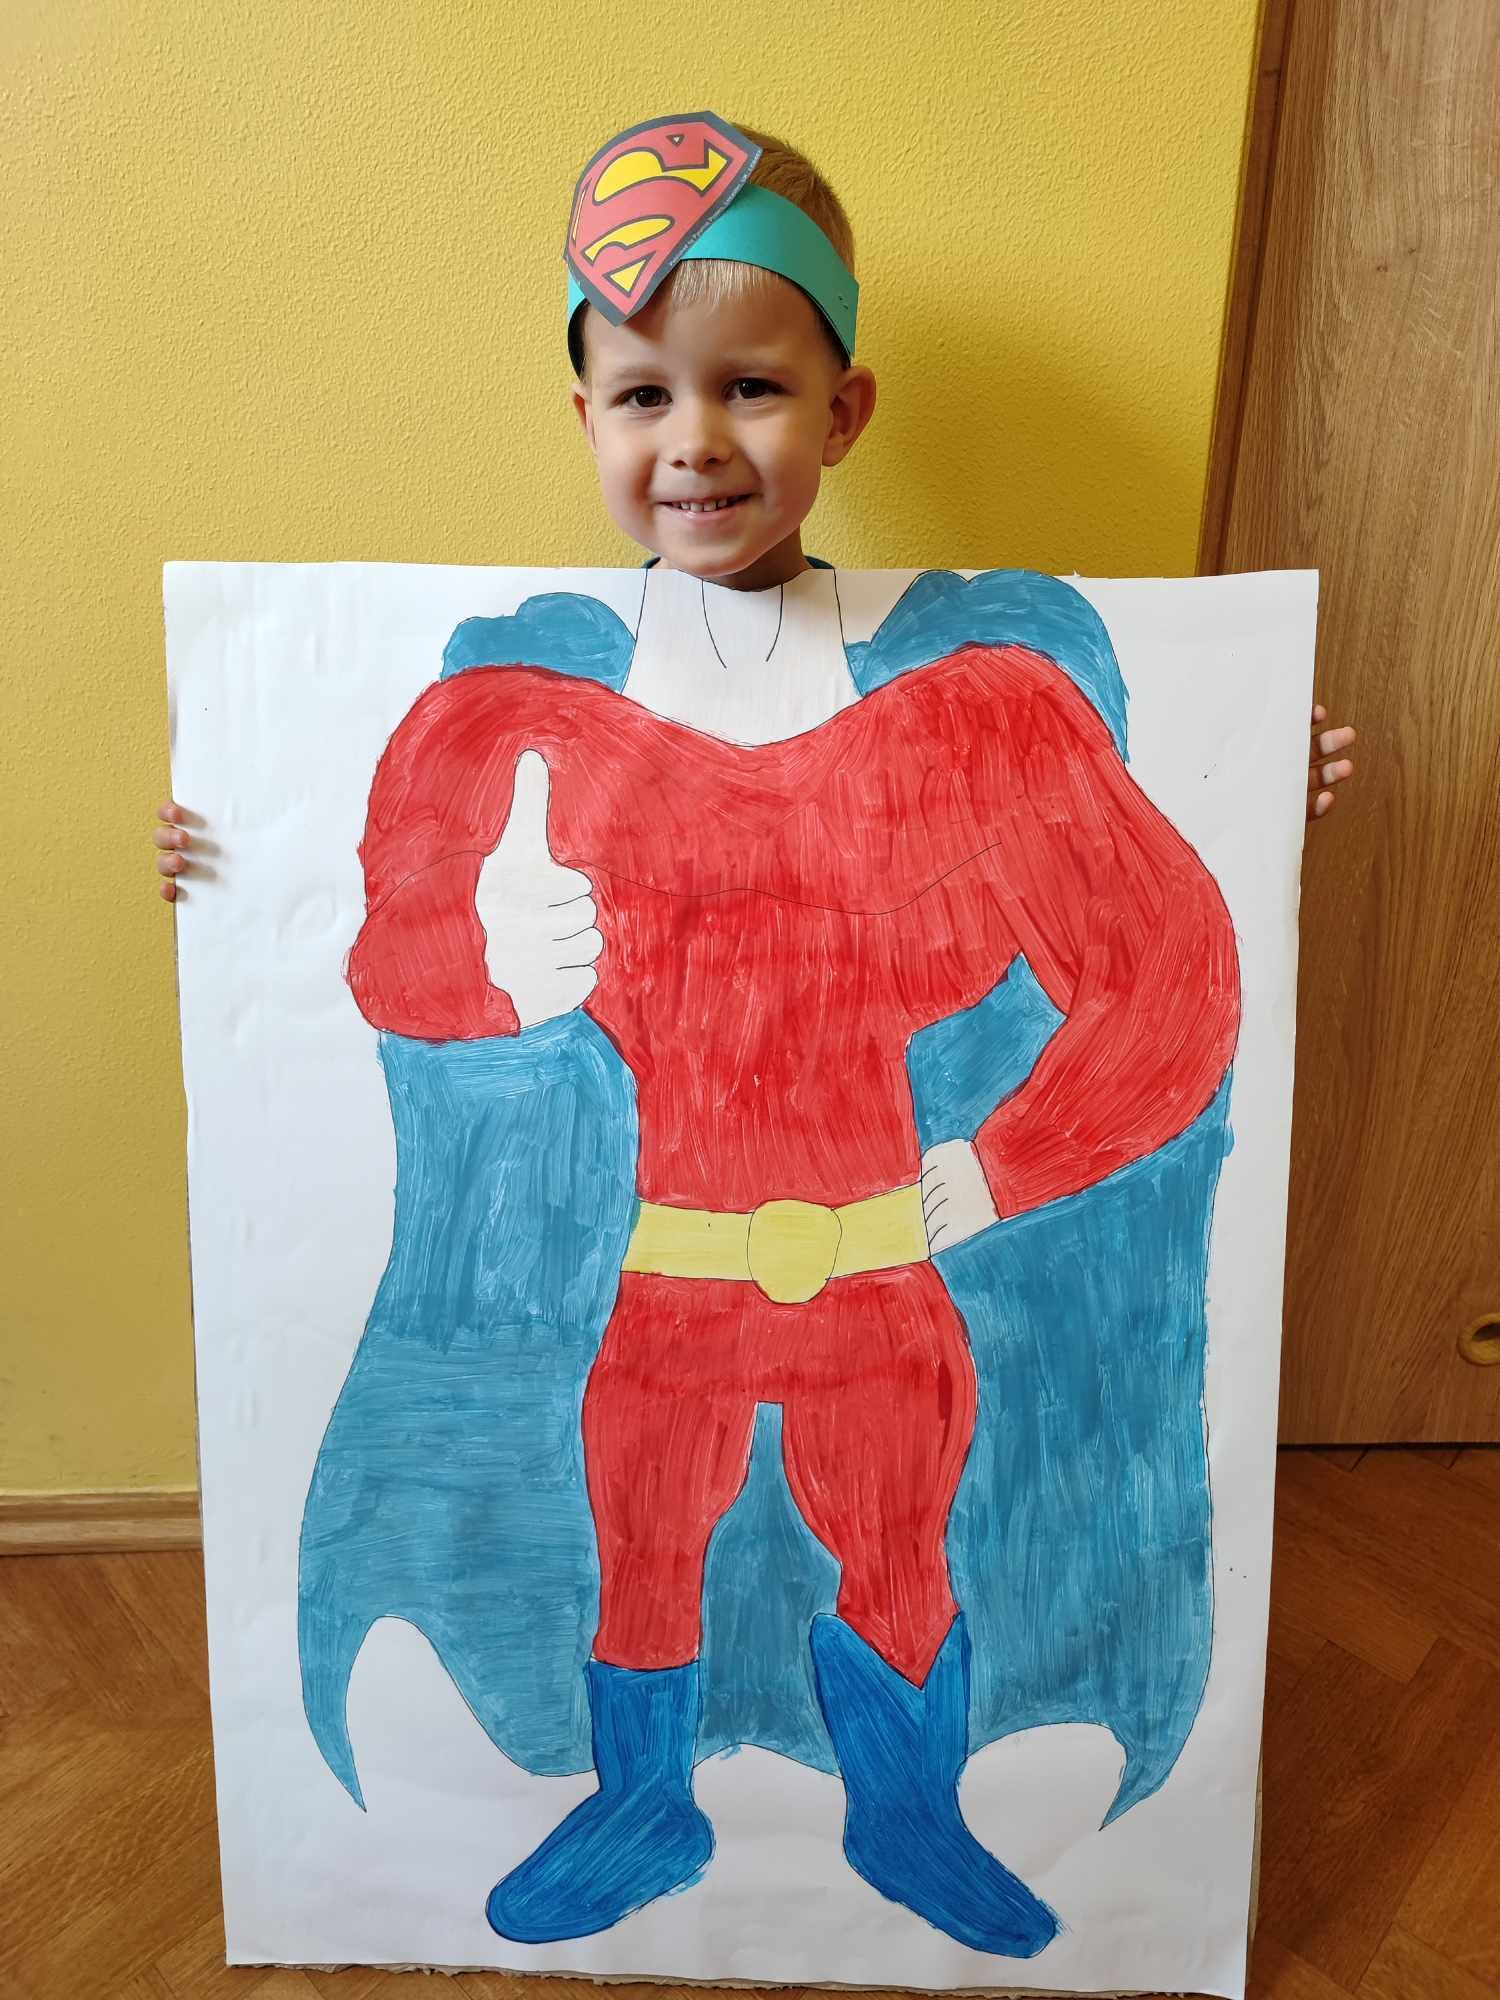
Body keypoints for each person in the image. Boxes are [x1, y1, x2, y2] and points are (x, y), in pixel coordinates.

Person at [152, 115, 1357, 1957]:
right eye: (645, 393)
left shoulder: (975, 729)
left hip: (887, 1270)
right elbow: (386, 957)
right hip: (673, 1279)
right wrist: (243, 859)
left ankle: (907, 1815)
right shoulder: (519, 739)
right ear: (586, 417)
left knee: (901, 1546)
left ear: (843, 411)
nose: (697, 438)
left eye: (752, 388)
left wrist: (1260, 787)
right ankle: (642, 1809)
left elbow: (1172, 972)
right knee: (645, 1553)